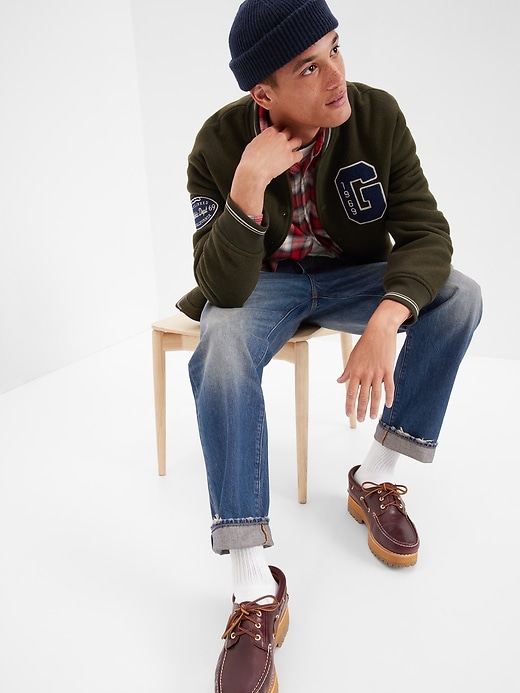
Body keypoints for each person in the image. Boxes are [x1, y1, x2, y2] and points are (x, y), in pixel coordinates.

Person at [176, 1, 483, 690]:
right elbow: (222, 285)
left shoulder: (377, 115)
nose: (337, 75)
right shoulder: (217, 143)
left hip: (352, 277)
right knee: (220, 345)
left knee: (460, 295)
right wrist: (248, 185)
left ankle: (375, 475)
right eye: (309, 67)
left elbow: (427, 233)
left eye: (335, 47)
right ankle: (253, 585)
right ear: (264, 94)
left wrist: (386, 318)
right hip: (265, 284)